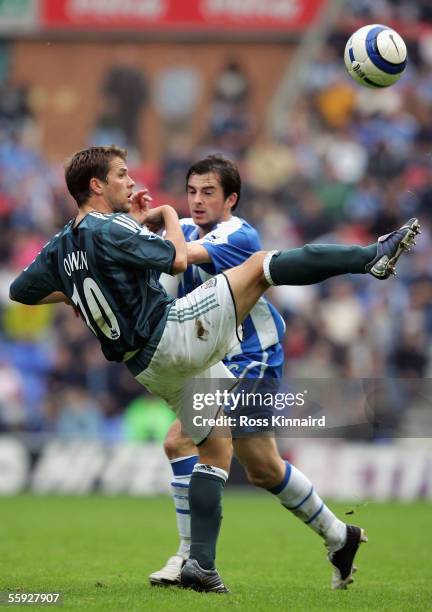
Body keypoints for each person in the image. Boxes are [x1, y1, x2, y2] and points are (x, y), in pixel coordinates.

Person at [9, 145, 419, 593]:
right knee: (260, 276)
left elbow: (25, 288)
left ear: (231, 200)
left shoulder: (236, 232)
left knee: (221, 453)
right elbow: (173, 257)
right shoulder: (158, 228)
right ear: (97, 185)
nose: (197, 199)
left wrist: (82, 284)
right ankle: (369, 258)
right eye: (191, 191)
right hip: (188, 342)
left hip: (241, 355)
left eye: (209, 191)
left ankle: (294, 544)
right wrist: (159, 216)